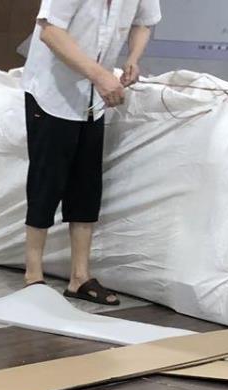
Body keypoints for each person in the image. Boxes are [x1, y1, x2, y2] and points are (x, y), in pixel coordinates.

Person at [20, 0, 161, 307]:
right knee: (46, 181)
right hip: (53, 91)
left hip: (93, 98)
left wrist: (133, 58)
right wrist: (99, 75)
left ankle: (79, 277)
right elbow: (50, 32)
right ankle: (33, 276)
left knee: (86, 185)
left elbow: (144, 21)